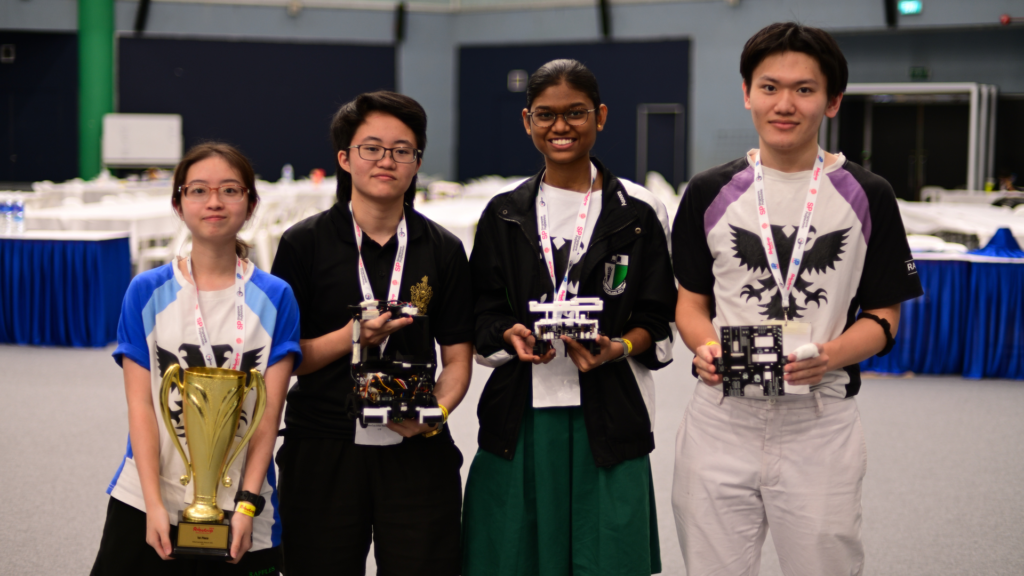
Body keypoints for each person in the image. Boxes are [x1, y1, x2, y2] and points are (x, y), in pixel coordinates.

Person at [671, 23, 925, 576]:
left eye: (805, 90)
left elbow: (884, 319)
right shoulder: (709, 191)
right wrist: (706, 347)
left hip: (819, 423)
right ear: (746, 93)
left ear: (832, 101)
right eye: (769, 87)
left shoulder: (868, 194)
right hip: (720, 420)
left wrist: (829, 357)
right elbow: (690, 303)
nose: (785, 104)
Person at [462, 59, 677, 576]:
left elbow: (659, 317)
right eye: (546, 115)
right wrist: (507, 335)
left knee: (608, 558)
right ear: (526, 121)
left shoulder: (640, 211)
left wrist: (619, 347)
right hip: (521, 418)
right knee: (512, 558)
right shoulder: (503, 212)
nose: (561, 127)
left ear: (600, 116)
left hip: (609, 416)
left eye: (576, 113)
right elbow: (481, 313)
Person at [270, 91, 473, 576]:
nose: (388, 160)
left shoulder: (443, 249)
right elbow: (285, 359)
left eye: (402, 150)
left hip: (416, 445)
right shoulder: (304, 243)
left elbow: (459, 361)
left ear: (417, 162)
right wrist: (355, 335)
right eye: (372, 148)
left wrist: (436, 413)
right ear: (345, 158)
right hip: (323, 443)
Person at [91, 143, 301, 575]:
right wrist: (153, 504)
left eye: (230, 190)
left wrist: (247, 505)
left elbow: (268, 413)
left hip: (244, 500)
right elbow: (141, 406)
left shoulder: (276, 297)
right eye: (199, 190)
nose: (214, 202)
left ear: (250, 203)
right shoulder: (146, 291)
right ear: (178, 203)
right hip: (148, 492)